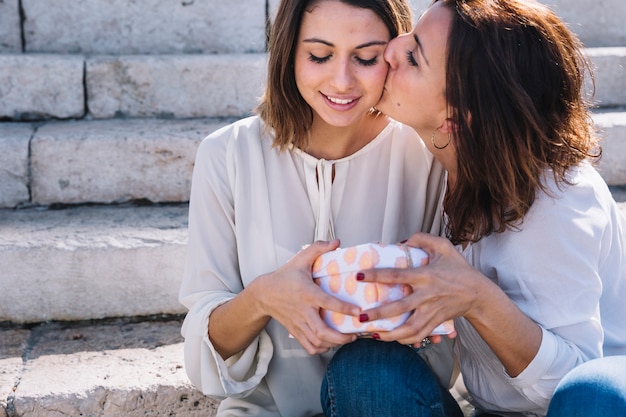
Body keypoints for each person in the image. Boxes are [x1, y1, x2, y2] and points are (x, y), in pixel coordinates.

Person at [325, 0, 626, 415]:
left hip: (586, 405)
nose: (391, 49)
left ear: (458, 115)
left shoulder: (559, 199)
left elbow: (578, 386)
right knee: (365, 372)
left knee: (594, 390)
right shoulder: (433, 168)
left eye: (413, 56)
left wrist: (478, 299)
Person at [178, 0, 452, 416]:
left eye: (366, 58)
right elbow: (206, 349)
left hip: (386, 400)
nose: (341, 81)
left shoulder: (427, 155)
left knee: (367, 374)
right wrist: (264, 298)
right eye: (319, 55)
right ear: (288, 52)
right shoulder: (227, 154)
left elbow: (449, 342)